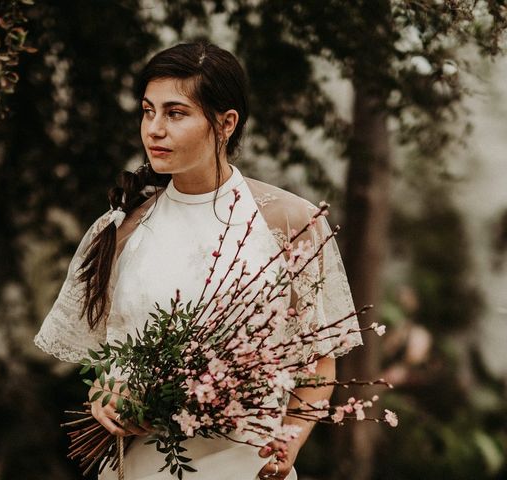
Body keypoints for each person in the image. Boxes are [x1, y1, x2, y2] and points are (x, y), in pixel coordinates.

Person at [34, 42, 362, 480]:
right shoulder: (123, 229)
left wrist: (290, 438)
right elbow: (103, 359)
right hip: (141, 463)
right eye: (148, 111)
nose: (154, 129)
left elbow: (320, 360)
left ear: (226, 123)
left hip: (245, 464)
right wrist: (105, 394)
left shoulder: (290, 223)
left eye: (175, 113)